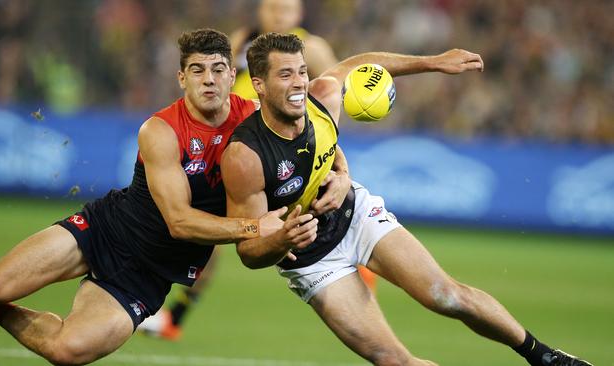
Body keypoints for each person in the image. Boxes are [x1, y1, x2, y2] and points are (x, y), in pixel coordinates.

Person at [220, 32, 593, 366]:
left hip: (355, 215)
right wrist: (282, 238)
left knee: (446, 296)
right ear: (259, 85)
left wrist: (432, 63)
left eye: (301, 71)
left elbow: (361, 64)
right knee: (394, 361)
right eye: (286, 75)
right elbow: (249, 251)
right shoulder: (245, 156)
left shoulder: (324, 97)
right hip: (311, 260)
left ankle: (545, 356)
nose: (300, 83)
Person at [0, 28, 296, 365]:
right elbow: (179, 222)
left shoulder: (259, 121)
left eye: (218, 69)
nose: (208, 79)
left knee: (68, 350)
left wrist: (339, 173)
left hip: (149, 276)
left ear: (232, 76)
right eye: (198, 70)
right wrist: (254, 227)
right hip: (106, 232)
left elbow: (312, 135)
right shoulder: (161, 131)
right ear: (182, 78)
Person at [139, 0, 374, 341]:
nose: (279, 14)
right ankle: (171, 314)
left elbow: (327, 105)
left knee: (281, 224)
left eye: (287, 8)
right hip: (240, 150)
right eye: (273, 7)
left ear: (299, 14)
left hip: (286, 152)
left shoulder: (312, 49)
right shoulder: (242, 41)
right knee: (207, 233)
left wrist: (339, 164)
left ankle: (172, 315)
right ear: (261, 10)